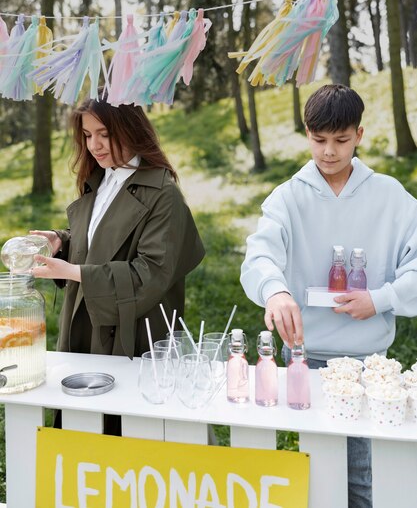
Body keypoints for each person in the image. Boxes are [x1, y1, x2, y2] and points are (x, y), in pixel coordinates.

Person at [240, 83, 417, 508]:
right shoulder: (286, 197)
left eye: (341, 140)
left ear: (359, 134)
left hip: (367, 363)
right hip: (306, 357)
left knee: (362, 474)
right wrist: (275, 291)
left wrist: (382, 298)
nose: (329, 152)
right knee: (315, 468)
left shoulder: (391, 196)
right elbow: (259, 255)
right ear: (307, 134)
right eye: (319, 140)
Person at [31, 97, 205, 363]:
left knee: (116, 402)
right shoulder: (101, 178)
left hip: (131, 336)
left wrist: (76, 273)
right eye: (87, 135)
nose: (93, 145)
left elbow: (151, 274)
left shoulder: (164, 194)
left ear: (130, 129)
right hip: (84, 321)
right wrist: (63, 241)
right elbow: (105, 235)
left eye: (104, 134)